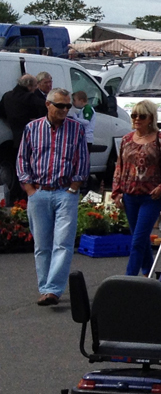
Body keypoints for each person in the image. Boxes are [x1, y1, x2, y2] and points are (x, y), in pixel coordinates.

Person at [16, 87, 89, 305]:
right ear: (48, 104)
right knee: (42, 244)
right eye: (60, 105)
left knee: (63, 243)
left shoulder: (77, 129)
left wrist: (74, 187)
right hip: (39, 191)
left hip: (65, 192)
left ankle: (53, 290)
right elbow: (22, 159)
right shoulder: (32, 128)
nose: (65, 110)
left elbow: (82, 161)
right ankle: (45, 287)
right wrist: (29, 189)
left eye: (68, 106)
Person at [112, 99, 161, 277]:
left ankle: (129, 278)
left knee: (138, 241)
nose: (137, 119)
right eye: (134, 115)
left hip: (150, 198)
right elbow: (120, 166)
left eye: (141, 116)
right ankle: (149, 274)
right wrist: (117, 192)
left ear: (151, 117)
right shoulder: (127, 139)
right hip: (130, 196)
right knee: (139, 239)